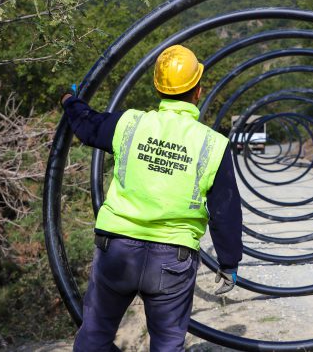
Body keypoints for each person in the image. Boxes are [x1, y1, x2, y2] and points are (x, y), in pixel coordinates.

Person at [60, 44, 243, 352]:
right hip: (173, 258)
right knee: (168, 346)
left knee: (93, 339)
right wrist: (228, 262)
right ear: (198, 91)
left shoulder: (130, 124)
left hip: (118, 250)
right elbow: (225, 209)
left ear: (158, 88)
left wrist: (69, 101)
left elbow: (88, 125)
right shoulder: (213, 144)